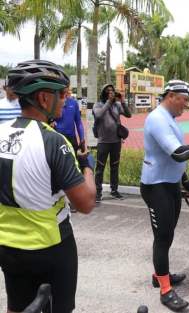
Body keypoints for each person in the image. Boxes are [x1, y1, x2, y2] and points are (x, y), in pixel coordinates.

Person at [0, 60, 96, 313]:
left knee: (17, 308)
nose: (66, 100)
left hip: (7, 247)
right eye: (62, 94)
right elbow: (85, 203)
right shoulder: (55, 142)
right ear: (44, 98)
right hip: (51, 246)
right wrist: (88, 166)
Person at [141, 79, 189, 312]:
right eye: (184, 100)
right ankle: (164, 290)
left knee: (168, 234)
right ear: (171, 95)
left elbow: (170, 155)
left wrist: (185, 180)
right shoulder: (157, 119)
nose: (187, 105)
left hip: (170, 184)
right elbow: (179, 154)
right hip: (156, 186)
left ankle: (159, 274)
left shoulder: (169, 119)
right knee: (162, 237)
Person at [93, 84, 131, 202]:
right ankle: (98, 193)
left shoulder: (117, 105)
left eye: (112, 91)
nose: (111, 93)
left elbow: (129, 115)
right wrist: (108, 102)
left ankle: (114, 190)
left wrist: (123, 101)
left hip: (116, 142)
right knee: (100, 168)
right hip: (103, 142)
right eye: (108, 91)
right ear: (103, 93)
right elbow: (98, 115)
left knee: (115, 167)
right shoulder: (98, 105)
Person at [54, 88, 85, 153]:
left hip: (72, 138)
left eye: (68, 89)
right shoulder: (54, 101)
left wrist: (82, 139)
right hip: (58, 138)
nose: (68, 91)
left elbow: (78, 122)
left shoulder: (74, 103)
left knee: (73, 161)